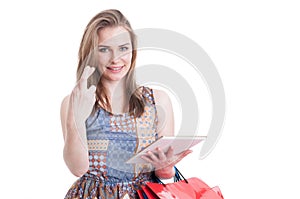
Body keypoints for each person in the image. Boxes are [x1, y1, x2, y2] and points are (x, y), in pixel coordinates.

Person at [60, 9, 192, 199]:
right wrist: (76, 120)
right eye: (104, 49)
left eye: (123, 48)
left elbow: (162, 175)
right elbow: (77, 168)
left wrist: (166, 168)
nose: (115, 59)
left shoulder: (158, 101)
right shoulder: (75, 102)